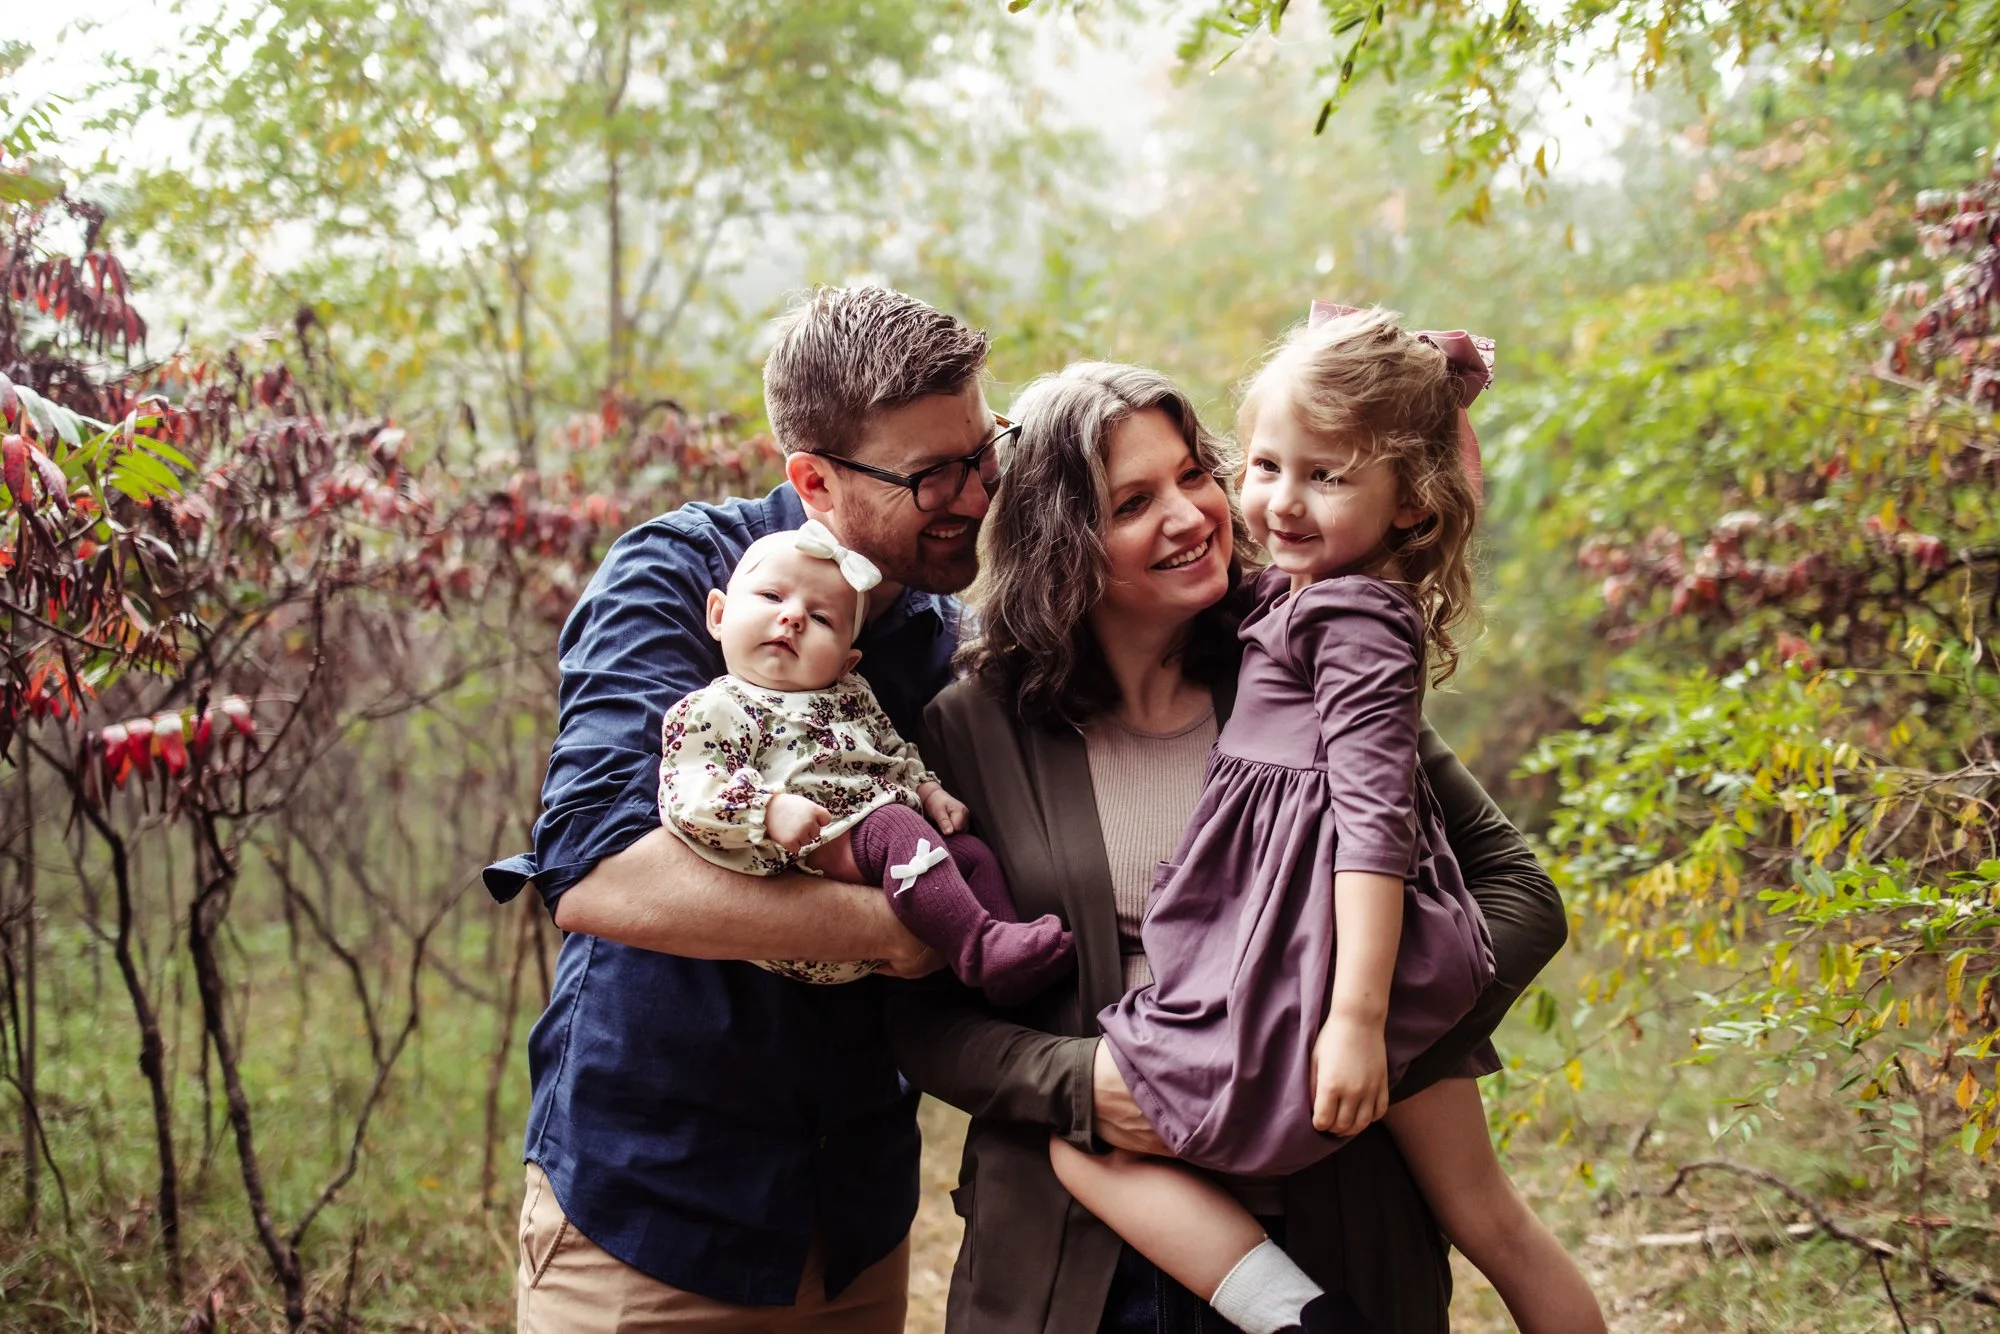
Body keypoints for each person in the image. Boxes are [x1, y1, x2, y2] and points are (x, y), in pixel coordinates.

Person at [889, 358, 1575, 1332]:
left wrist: (1350, 1029)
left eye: (1192, 474)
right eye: (1133, 500)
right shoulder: (972, 726)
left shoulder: (1302, 659)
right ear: (1059, 539)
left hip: (1333, 1220)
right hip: (1077, 1262)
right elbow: (921, 1017)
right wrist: (1076, 1081)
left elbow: (1514, 891)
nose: (1189, 513)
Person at [487, 285, 1002, 1330]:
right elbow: (595, 871)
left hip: (854, 1212)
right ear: (812, 478)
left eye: (983, 450)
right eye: (931, 474)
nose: (975, 493)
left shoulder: (938, 634)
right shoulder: (678, 575)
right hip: (654, 1210)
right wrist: (900, 927)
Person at [657, 518, 1074, 1001]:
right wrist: (767, 809)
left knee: (971, 855)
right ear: (718, 614)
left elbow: (892, 752)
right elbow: (687, 790)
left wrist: (929, 790)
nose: (792, 618)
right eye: (772, 597)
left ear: (846, 661)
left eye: (821, 619)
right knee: (897, 826)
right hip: (801, 861)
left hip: (878, 849)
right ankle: (979, 948)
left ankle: (1008, 964)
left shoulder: (851, 696)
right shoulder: (718, 708)